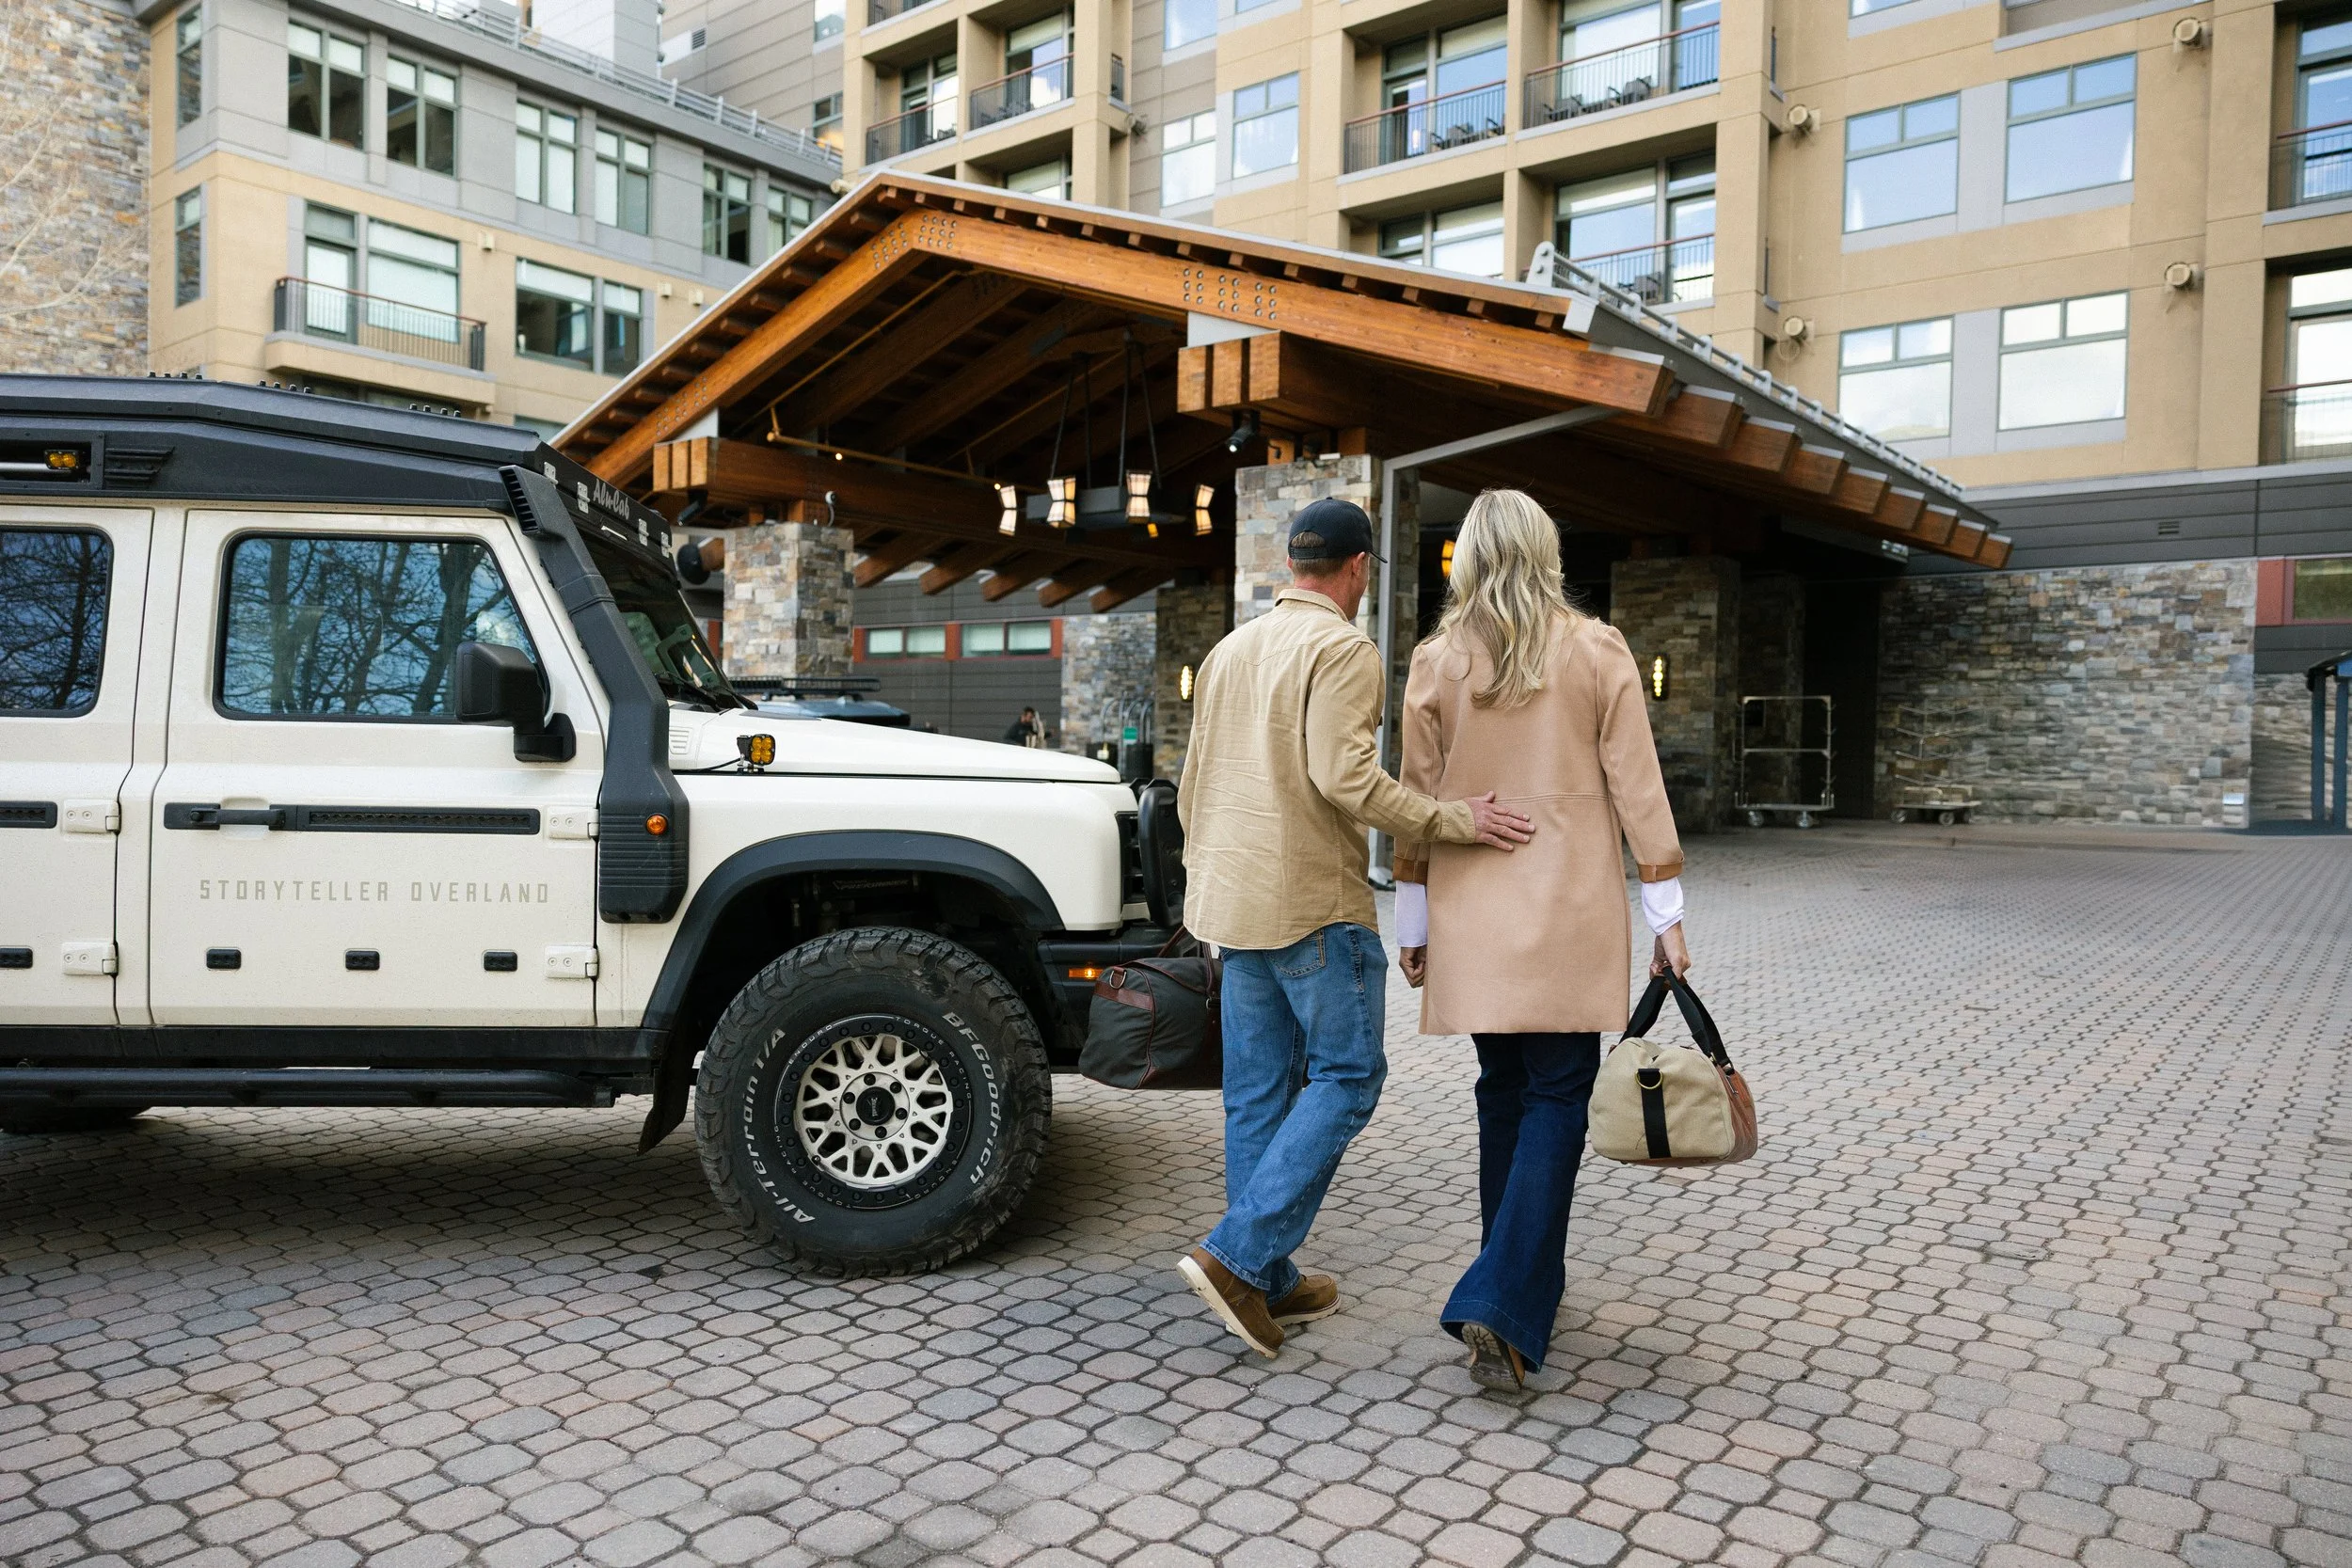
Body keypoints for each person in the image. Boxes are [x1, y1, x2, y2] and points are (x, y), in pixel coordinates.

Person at [1173, 497, 1536, 1358]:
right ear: (1360, 568)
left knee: (1256, 1094)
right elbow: (1347, 779)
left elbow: (1191, 785)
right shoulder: (1343, 648)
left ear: (1292, 565)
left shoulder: (1230, 650)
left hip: (1231, 906)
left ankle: (1265, 1276)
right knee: (1349, 1075)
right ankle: (1238, 1254)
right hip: (1311, 907)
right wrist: (1454, 820)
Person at [1392, 489, 1691, 1391]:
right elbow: (1638, 787)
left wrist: (1411, 917)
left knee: (1505, 1094)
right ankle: (1507, 1298)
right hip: (1566, 908)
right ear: (1546, 552)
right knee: (1557, 1096)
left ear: (1470, 558)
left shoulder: (1438, 661)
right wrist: (1667, 913)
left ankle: (1512, 1287)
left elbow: (1415, 790)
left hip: (1475, 906)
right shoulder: (1596, 649)